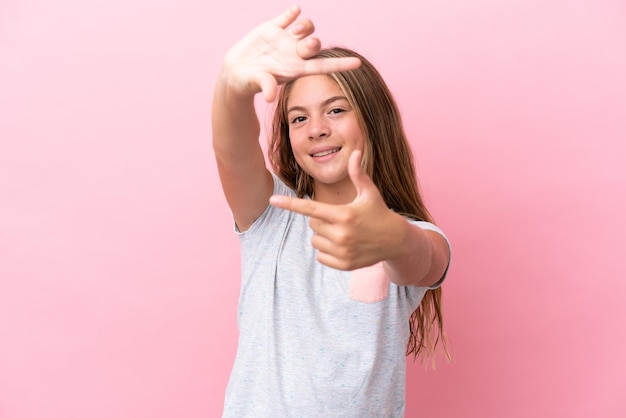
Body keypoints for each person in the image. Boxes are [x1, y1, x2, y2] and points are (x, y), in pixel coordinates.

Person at [212, 5, 451, 417]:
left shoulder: (408, 233)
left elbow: (424, 259)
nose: (317, 128)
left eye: (336, 110)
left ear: (372, 120)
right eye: (298, 117)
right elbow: (231, 151)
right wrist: (231, 87)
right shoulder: (270, 217)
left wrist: (393, 238)